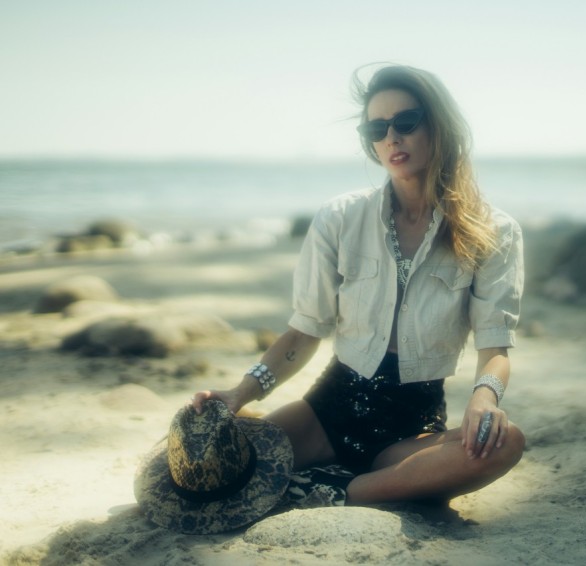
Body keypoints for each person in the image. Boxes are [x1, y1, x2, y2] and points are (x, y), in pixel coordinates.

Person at [191, 64, 525, 508]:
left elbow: (495, 346)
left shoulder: (493, 231)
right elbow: (303, 332)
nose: (392, 137)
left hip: (411, 429)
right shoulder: (340, 218)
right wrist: (240, 393)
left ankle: (339, 492)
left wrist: (485, 397)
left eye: (406, 122)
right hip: (325, 413)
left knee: (505, 442)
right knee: (207, 470)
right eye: (377, 127)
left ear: (438, 126)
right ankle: (377, 487)